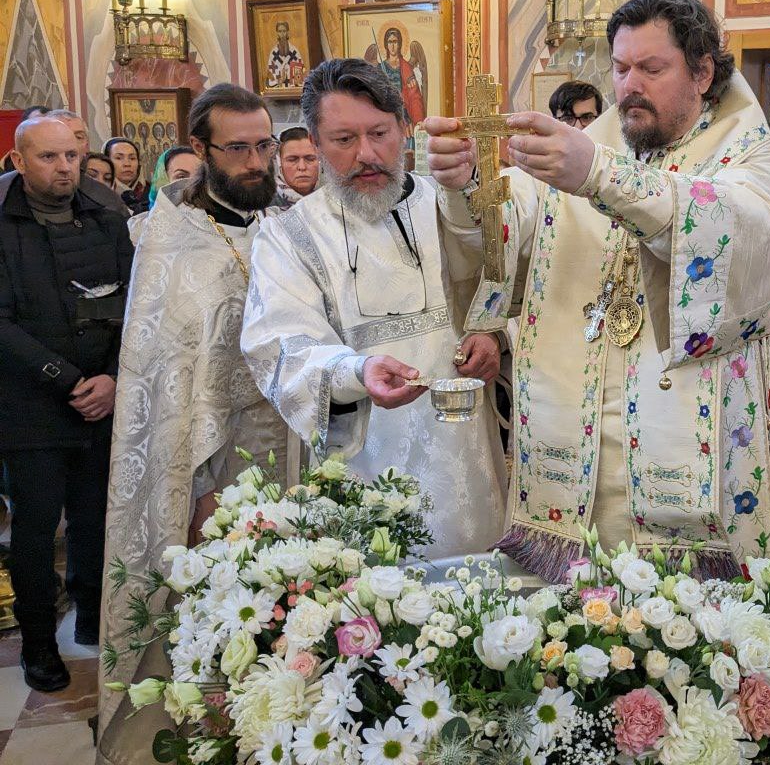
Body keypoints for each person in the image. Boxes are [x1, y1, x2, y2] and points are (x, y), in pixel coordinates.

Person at [421, 0, 770, 579]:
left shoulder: (751, 158)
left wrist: (602, 178)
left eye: (652, 68)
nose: (629, 85)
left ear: (703, 70)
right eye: (621, 68)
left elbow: (748, 235)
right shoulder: (584, 149)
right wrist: (468, 185)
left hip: (685, 461)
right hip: (574, 462)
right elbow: (502, 237)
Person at [241, 59, 507, 555]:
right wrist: (356, 370)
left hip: (465, 449)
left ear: (405, 130)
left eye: (380, 133)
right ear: (315, 144)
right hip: (363, 451)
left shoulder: (452, 206)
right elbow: (277, 344)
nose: (367, 154)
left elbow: (510, 287)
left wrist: (495, 336)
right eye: (343, 140)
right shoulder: (289, 236)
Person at [97, 85, 291, 756]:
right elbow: (168, 382)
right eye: (238, 148)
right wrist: (196, 485)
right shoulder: (168, 241)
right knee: (218, 617)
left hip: (296, 455)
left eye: (264, 144)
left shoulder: (292, 222)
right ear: (201, 150)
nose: (256, 160)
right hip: (217, 468)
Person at [0, 116, 133, 692]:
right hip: (29, 404)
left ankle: (93, 616)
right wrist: (66, 378)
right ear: (19, 159)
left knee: (95, 518)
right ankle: (36, 645)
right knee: (33, 530)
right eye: (49, 157)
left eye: (71, 157)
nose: (64, 168)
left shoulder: (107, 214)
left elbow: (137, 302)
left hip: (100, 399)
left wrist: (109, 378)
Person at [378, 26, 426, 125]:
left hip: (404, 116)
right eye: (390, 42)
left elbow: (414, 96)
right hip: (385, 114)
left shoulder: (406, 68)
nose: (392, 46)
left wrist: (418, 120)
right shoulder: (380, 68)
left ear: (399, 44)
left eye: (395, 42)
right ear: (386, 45)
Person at [104, 136, 149, 213]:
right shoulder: (99, 193)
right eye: (119, 158)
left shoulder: (151, 193)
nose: (127, 164)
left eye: (132, 158)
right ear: (106, 162)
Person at [276, 124, 320, 203]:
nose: (302, 167)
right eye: (292, 160)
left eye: (310, 159)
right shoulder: (261, 206)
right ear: (279, 163)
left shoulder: (338, 202)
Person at [265, 20, 304, 89]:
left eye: (284, 31)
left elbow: (298, 77)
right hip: (278, 90)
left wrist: (290, 77)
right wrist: (279, 79)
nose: (282, 34)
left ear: (287, 32)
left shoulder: (294, 52)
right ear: (277, 33)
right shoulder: (273, 53)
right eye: (280, 31)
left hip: (292, 90)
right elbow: (271, 76)